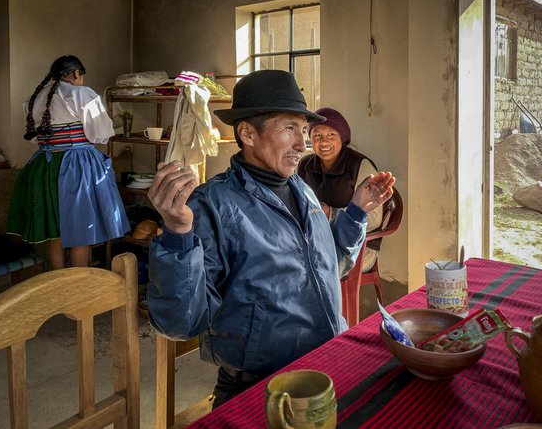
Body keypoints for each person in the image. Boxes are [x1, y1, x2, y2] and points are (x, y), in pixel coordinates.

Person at [146, 70, 395, 408]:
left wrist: (355, 212)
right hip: (262, 388)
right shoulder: (212, 205)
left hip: (325, 368)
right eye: (289, 128)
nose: (303, 144)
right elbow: (180, 323)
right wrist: (177, 236)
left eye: (303, 130)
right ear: (247, 133)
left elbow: (330, 266)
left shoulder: (300, 189)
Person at [7, 55, 130, 269]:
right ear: (76, 74)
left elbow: (37, 138)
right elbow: (100, 134)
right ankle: (77, 290)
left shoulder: (33, 99)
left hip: (43, 167)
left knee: (55, 231)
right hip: (76, 166)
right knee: (80, 228)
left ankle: (59, 288)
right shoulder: (82, 94)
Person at [298, 107, 384, 272]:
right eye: (317, 135)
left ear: (342, 137)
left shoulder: (360, 165)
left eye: (331, 135)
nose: (324, 142)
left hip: (358, 245)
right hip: (317, 238)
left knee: (314, 269)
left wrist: (331, 213)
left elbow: (374, 218)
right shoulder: (305, 165)